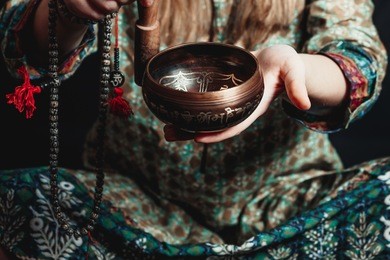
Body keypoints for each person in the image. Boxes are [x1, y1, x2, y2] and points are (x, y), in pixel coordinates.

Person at [0, 0, 389, 259]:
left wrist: (294, 70)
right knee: (15, 200)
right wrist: (70, 9)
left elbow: (358, 63)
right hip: (139, 208)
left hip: (287, 211)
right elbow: (24, 47)